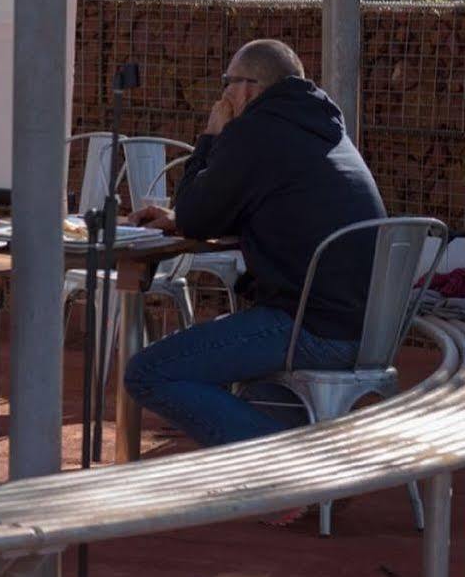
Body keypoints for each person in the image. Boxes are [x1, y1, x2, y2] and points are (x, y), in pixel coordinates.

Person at [125, 39, 386, 450]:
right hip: (365, 329)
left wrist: (212, 136)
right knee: (221, 354)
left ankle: (290, 466)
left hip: (309, 329)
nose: (224, 92)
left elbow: (196, 214)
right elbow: (236, 209)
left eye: (228, 82)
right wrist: (181, 218)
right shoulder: (321, 124)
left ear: (249, 87)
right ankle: (295, 447)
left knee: (148, 372)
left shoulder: (258, 130)